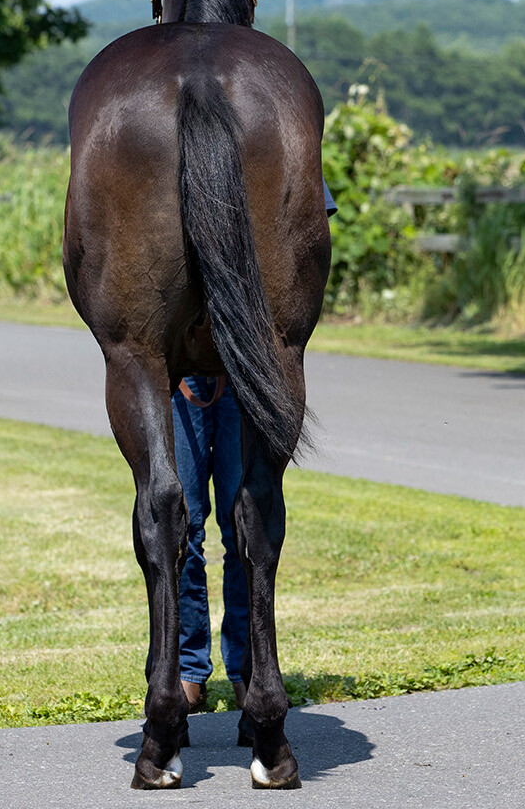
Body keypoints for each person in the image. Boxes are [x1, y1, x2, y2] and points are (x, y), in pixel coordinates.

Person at [175, 180, 337, 712]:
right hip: (183, 366)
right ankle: (189, 667)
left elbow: (305, 232)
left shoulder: (267, 131)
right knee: (184, 520)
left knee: (241, 524)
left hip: (246, 366)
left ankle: (245, 666)